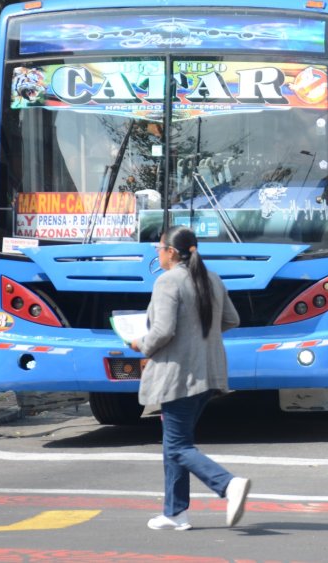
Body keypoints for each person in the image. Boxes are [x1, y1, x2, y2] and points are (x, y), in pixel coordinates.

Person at [130, 226, 250, 531]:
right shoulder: (211, 278)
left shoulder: (168, 281)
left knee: (177, 446)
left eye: (158, 248)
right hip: (207, 374)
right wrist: (199, 338)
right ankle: (175, 512)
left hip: (178, 376)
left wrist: (140, 344)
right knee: (176, 443)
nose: (156, 253)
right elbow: (232, 320)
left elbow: (162, 331)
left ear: (171, 251)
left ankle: (228, 484)